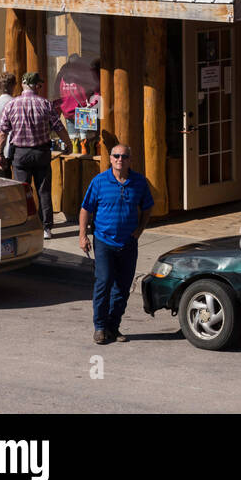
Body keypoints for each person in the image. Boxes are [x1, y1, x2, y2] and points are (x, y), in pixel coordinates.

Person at [79, 143, 154, 344]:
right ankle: (100, 327)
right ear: (110, 159)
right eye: (116, 156)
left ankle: (113, 326)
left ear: (130, 160)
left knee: (122, 287)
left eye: (124, 156)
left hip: (128, 242)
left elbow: (147, 208)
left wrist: (139, 230)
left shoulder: (139, 182)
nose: (120, 160)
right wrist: (82, 235)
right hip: (104, 241)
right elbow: (86, 209)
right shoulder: (99, 181)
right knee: (104, 282)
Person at [0, 71, 72, 239]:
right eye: (40, 85)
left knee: (22, 191)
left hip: (20, 154)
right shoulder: (45, 104)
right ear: (36, 85)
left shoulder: (11, 105)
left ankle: (22, 223)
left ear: (23, 85)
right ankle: (46, 228)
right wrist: (68, 143)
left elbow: (2, 133)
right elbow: (59, 127)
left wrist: (0, 153)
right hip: (41, 153)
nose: (40, 87)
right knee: (44, 190)